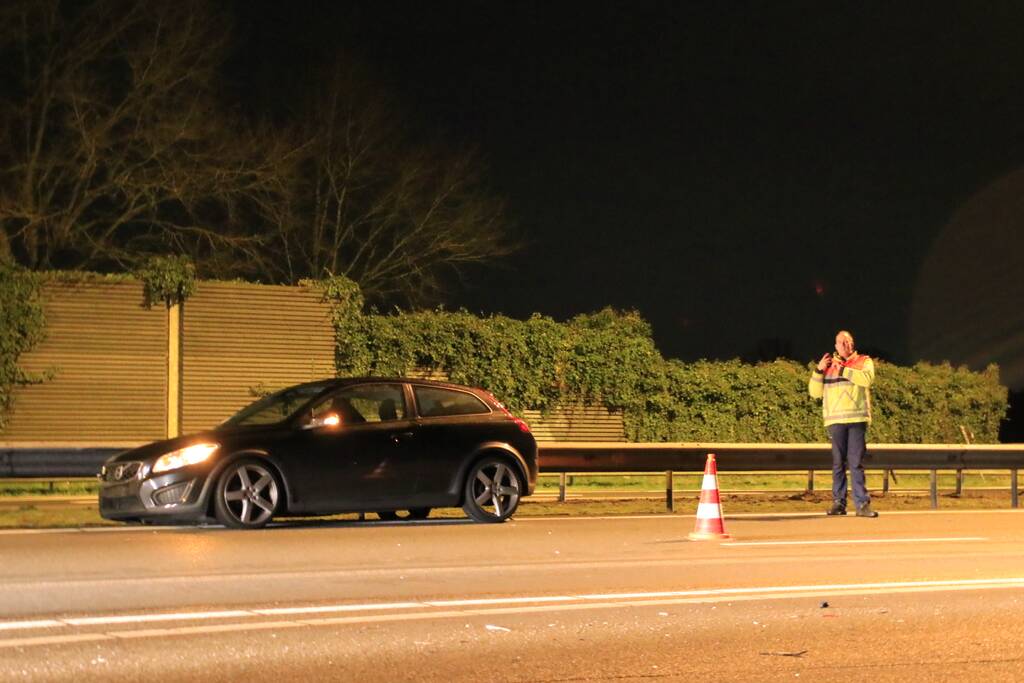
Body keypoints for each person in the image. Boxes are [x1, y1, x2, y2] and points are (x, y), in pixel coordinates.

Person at [808, 330, 878, 518]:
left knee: (855, 463)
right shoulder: (828, 365)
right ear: (836, 346)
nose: (846, 345)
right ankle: (839, 504)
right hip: (835, 421)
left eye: (848, 342)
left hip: (856, 420)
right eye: (842, 342)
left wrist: (842, 370)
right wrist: (818, 370)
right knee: (838, 464)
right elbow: (814, 393)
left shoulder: (864, 361)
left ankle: (862, 505)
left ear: (853, 344)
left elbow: (867, 379)